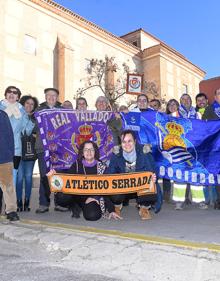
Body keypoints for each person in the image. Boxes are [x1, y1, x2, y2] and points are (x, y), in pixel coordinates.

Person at [47, 141, 121, 221]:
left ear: (95, 152)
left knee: (92, 216)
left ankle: (84, 207)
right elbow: (66, 181)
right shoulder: (76, 165)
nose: (88, 152)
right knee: (61, 197)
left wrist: (111, 210)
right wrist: (54, 176)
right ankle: (74, 206)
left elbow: (106, 190)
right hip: (77, 197)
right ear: (82, 152)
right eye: (86, 150)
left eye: (91, 149)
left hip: (93, 198)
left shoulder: (102, 167)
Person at [106, 130, 159, 220]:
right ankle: (117, 206)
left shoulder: (144, 152)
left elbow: (153, 170)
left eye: (129, 141)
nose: (127, 144)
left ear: (134, 141)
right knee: (112, 184)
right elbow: (110, 173)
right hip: (123, 187)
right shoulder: (116, 155)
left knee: (150, 183)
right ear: (121, 143)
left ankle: (144, 208)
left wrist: (154, 177)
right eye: (124, 142)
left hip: (140, 187)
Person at [171, 94, 207, 210]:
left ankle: (199, 200)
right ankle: (178, 202)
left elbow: (203, 130)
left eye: (188, 99)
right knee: (180, 174)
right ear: (180, 101)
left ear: (191, 101)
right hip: (180, 148)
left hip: (195, 148)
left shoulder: (197, 114)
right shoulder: (175, 114)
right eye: (183, 99)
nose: (186, 101)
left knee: (196, 173)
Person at [35, 88, 62, 213]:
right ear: (45, 97)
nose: (51, 97)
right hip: (43, 148)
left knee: (58, 174)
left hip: (59, 148)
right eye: (49, 95)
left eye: (54, 95)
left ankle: (59, 203)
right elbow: (35, 127)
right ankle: (44, 203)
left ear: (57, 98)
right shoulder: (39, 110)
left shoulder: (62, 111)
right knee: (44, 176)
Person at [0, 86, 34, 186]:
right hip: (1, 147)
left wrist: (30, 119)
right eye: (9, 92)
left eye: (15, 93)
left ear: (18, 97)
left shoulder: (22, 111)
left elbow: (27, 131)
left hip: (15, 149)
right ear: (5, 95)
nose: (12, 94)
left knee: (12, 178)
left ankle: (9, 202)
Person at [16, 95, 39, 211]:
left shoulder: (35, 118)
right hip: (18, 151)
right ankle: (19, 201)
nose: (29, 106)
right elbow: (20, 130)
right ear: (23, 104)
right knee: (19, 177)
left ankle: (27, 201)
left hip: (30, 151)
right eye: (27, 103)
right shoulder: (17, 115)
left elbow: (30, 131)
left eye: (32, 104)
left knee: (29, 177)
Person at [0, 109, 19, 221]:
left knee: (8, 187)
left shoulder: (2, 115)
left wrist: (9, 155)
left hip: (3, 157)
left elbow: (10, 136)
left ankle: (11, 211)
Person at [202, 88, 220, 209]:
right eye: (219, 93)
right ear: (215, 97)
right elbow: (204, 127)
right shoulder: (210, 109)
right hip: (215, 147)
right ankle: (218, 201)